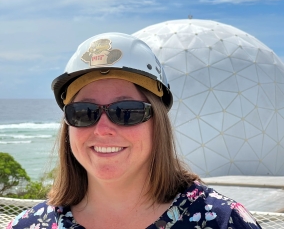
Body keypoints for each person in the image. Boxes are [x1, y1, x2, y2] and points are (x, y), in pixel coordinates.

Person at [7, 33, 262, 229]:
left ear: (158, 123)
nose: (103, 129)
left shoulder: (222, 221)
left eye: (127, 111)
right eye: (84, 112)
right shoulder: (30, 224)